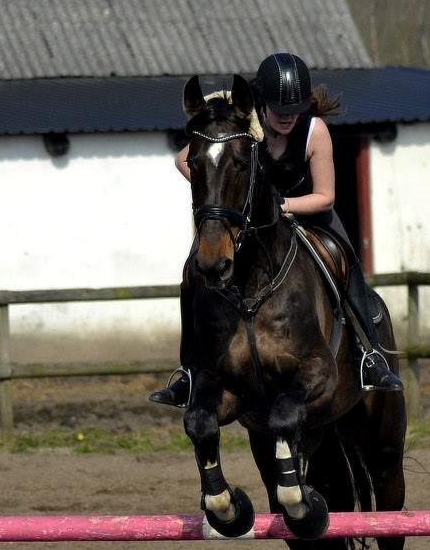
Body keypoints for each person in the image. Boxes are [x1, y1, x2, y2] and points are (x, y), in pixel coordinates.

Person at [150, 52, 403, 407]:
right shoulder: (246, 126)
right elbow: (183, 159)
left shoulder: (315, 131)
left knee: (343, 258)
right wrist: (222, 197)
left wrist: (282, 206)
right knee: (193, 269)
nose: (287, 117)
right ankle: (189, 373)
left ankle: (370, 356)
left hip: (310, 214)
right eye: (279, 109)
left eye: (294, 109)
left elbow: (325, 197)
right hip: (254, 223)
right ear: (262, 102)